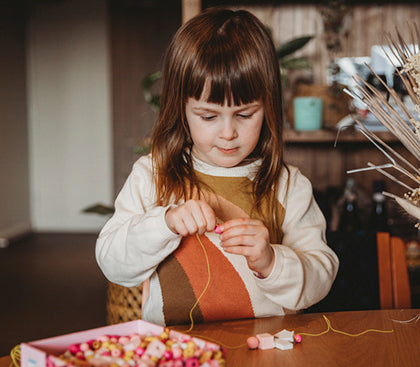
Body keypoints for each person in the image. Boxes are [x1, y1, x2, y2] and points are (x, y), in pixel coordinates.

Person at [96, 8, 339, 326]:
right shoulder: (153, 176)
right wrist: (164, 224)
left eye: (245, 114)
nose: (228, 133)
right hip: (177, 358)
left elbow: (321, 276)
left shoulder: (288, 184)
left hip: (269, 356)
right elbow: (114, 264)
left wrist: (270, 260)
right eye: (208, 116)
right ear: (181, 109)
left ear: (267, 106)